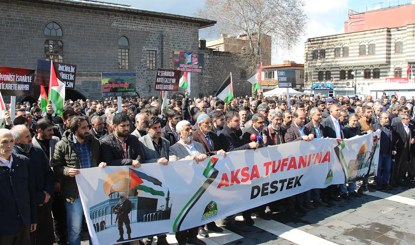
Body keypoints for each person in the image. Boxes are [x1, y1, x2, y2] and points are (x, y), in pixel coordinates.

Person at [52, 115, 103, 245]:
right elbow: (56, 167)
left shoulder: (94, 142)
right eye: (83, 128)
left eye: (88, 127)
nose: (87, 130)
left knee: (95, 227)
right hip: (74, 194)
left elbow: (100, 160)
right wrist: (66, 171)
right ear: (75, 130)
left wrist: (102, 164)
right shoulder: (62, 145)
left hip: (93, 191)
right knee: (75, 229)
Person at [11, 125, 55, 245]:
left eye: (30, 135)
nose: (31, 139)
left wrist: (47, 194)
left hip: (45, 204)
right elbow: (20, 187)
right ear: (16, 140)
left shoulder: (37, 151)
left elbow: (49, 174)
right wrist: (38, 197)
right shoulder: (13, 158)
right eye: (26, 137)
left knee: (46, 238)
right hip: (28, 208)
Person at [168, 120, 208, 245]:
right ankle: (181, 239)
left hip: (199, 184)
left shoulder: (199, 145)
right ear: (180, 133)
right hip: (183, 186)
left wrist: (205, 157)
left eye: (191, 129)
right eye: (187, 130)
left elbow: (207, 160)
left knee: (196, 211)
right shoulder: (173, 148)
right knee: (183, 213)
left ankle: (193, 236)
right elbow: (173, 165)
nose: (190, 131)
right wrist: (187, 160)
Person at [32, 119, 67, 245]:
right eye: (49, 130)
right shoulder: (32, 144)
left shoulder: (56, 141)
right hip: (42, 186)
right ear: (39, 130)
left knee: (60, 215)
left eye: (52, 129)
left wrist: (57, 180)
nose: (52, 132)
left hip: (57, 184)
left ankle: (61, 240)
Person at [0, 129, 37, 245]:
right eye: (4, 142)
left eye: (11, 141)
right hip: (3, 227)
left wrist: (32, 218)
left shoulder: (23, 162)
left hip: (23, 223)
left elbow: (30, 192)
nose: (9, 145)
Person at [373, 112, 396, 190]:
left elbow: (393, 140)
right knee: (378, 168)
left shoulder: (390, 128)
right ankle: (378, 182)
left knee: (387, 168)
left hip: (387, 152)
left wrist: (393, 149)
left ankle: (385, 182)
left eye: (388, 118)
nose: (387, 120)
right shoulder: (375, 126)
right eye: (385, 118)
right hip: (379, 152)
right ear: (380, 119)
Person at [391, 114, 414, 187]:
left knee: (403, 165)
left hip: (407, 149)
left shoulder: (410, 126)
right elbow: (393, 134)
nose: (408, 120)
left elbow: (412, 134)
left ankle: (399, 179)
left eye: (409, 118)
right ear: (402, 119)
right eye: (407, 119)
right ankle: (394, 180)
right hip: (399, 148)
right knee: (397, 165)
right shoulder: (397, 125)